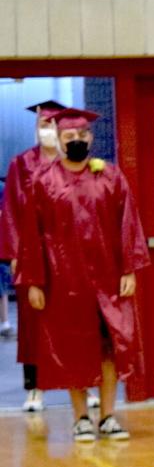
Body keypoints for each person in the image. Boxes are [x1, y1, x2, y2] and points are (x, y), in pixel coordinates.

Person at [17, 107, 149, 443]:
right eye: (68, 137)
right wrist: (34, 280)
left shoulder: (110, 176)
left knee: (108, 348)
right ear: (59, 140)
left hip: (106, 279)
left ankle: (107, 415)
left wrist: (129, 269)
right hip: (64, 281)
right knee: (72, 347)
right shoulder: (43, 181)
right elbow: (31, 234)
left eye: (81, 136)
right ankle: (80, 418)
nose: (76, 141)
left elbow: (128, 223)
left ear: (90, 137)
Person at [1, 99, 65, 412]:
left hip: (69, 255)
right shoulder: (21, 163)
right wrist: (14, 253)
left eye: (53, 125)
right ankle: (34, 389)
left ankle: (84, 384)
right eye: (43, 125)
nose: (48, 131)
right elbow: (11, 209)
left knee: (75, 321)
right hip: (32, 253)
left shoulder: (74, 164)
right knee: (32, 324)